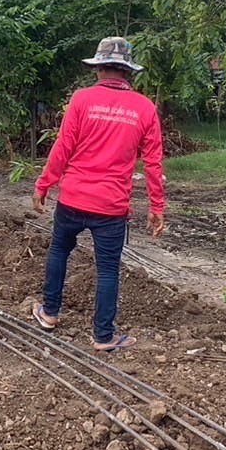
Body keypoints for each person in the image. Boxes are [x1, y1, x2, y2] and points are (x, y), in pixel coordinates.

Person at [31, 36, 165, 352]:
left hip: (73, 198)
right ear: (127, 72)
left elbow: (63, 147)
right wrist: (157, 205)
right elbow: (154, 162)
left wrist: (43, 184)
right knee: (107, 269)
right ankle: (103, 336)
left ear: (98, 69)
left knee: (59, 250)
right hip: (111, 207)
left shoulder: (81, 100)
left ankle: (49, 313)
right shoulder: (145, 108)